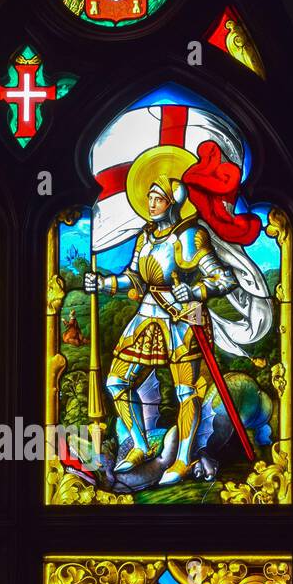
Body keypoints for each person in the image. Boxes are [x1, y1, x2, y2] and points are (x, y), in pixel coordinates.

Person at [84, 177, 237, 484]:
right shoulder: (146, 237)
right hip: (147, 315)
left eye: (158, 198)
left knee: (186, 391)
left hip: (181, 318)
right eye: (150, 197)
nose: (151, 203)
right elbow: (135, 278)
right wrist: (105, 284)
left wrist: (194, 293)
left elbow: (224, 279)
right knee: (116, 381)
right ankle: (140, 445)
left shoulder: (190, 237)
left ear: (173, 202)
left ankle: (182, 460)